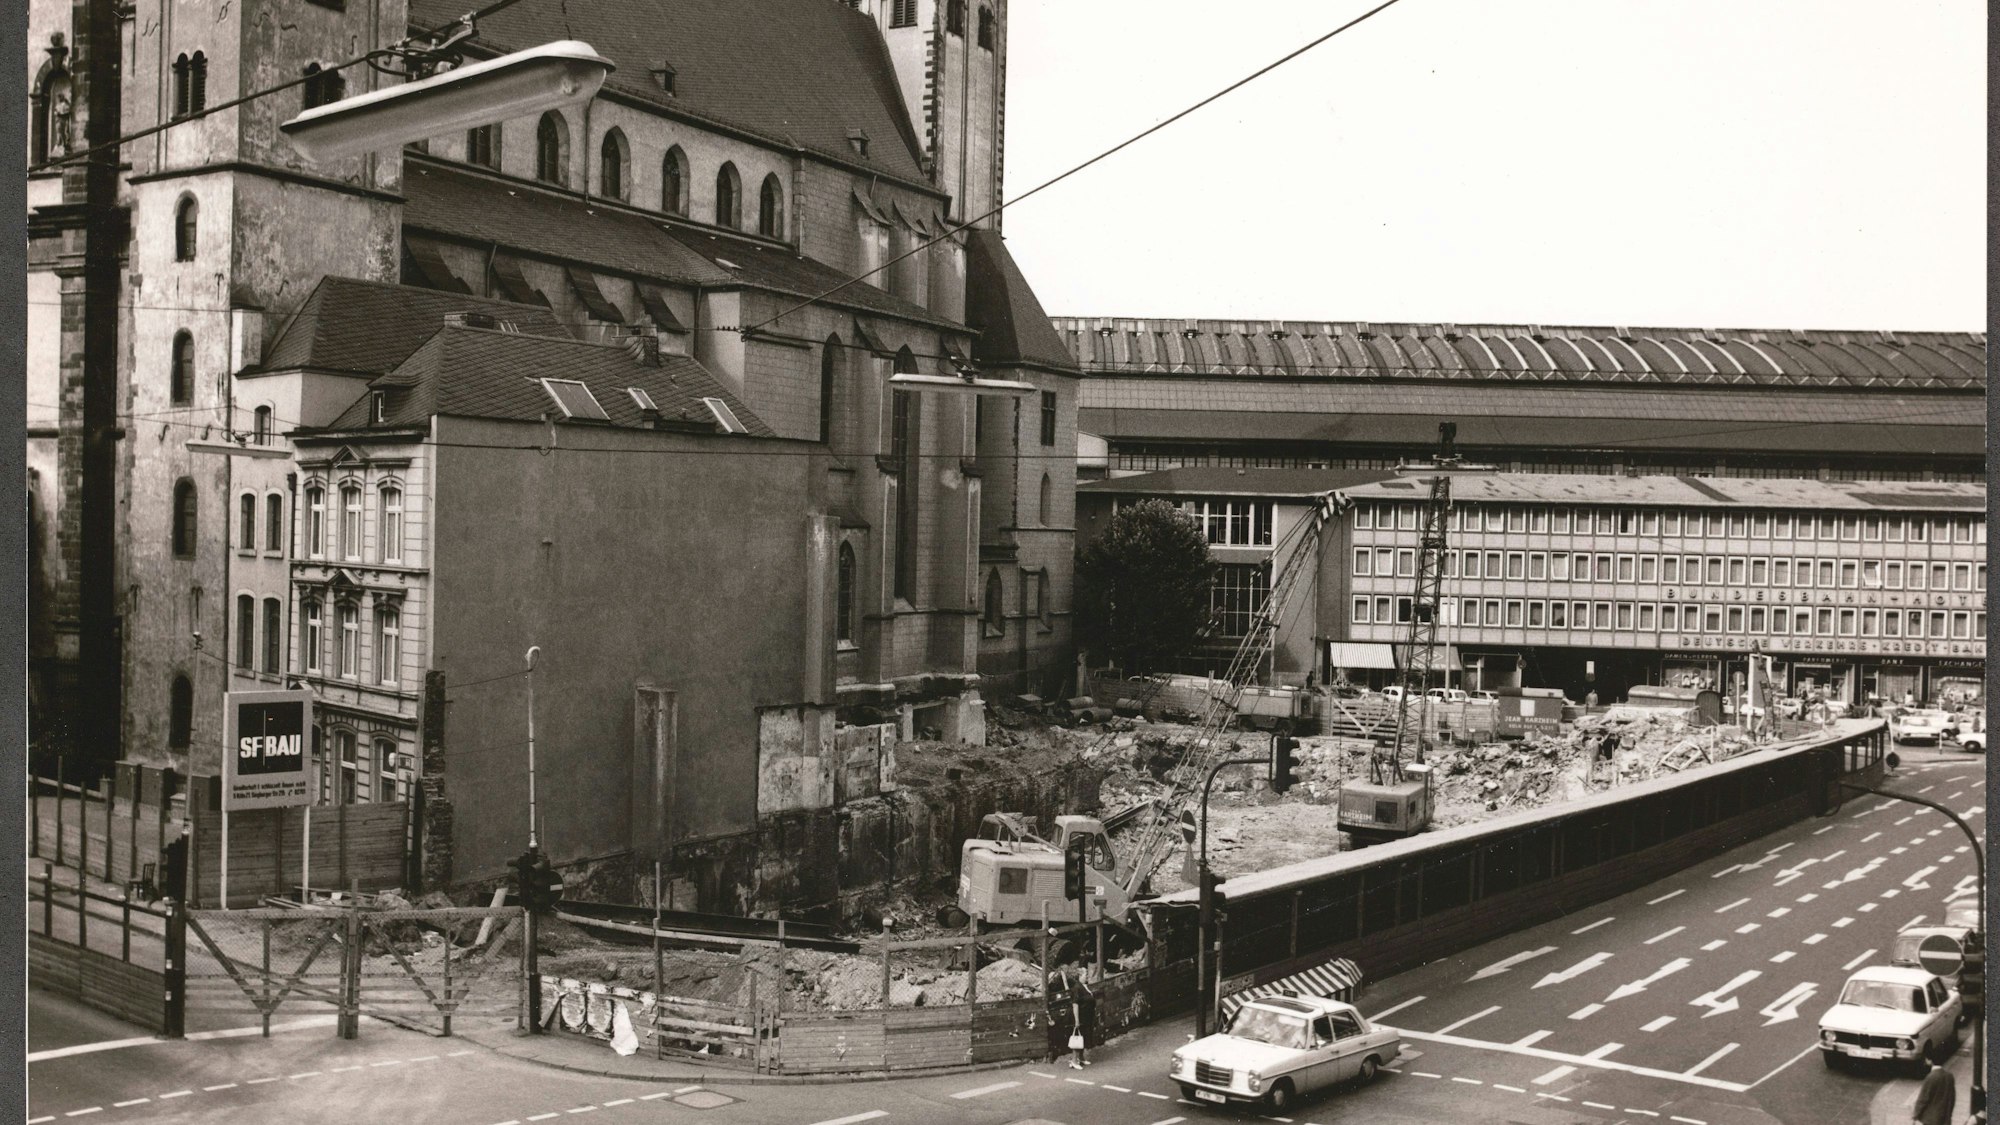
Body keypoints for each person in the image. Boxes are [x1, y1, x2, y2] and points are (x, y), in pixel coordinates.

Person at [1068, 967, 1098, 1069]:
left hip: (1087, 1016)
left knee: (1083, 1037)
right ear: (1080, 976)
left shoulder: (1084, 986)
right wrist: (1077, 1020)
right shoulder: (1077, 988)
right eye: (1086, 974)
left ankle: (1080, 1058)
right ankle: (1073, 1060)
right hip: (1081, 1017)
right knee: (1078, 1037)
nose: (1087, 976)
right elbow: (1075, 1005)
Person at [1913, 1057, 1955, 1125]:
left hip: (1930, 1120)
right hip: (1944, 1118)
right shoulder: (1949, 1076)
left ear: (1930, 1061)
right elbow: (1952, 1098)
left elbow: (1923, 1098)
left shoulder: (1931, 1077)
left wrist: (1915, 1115)